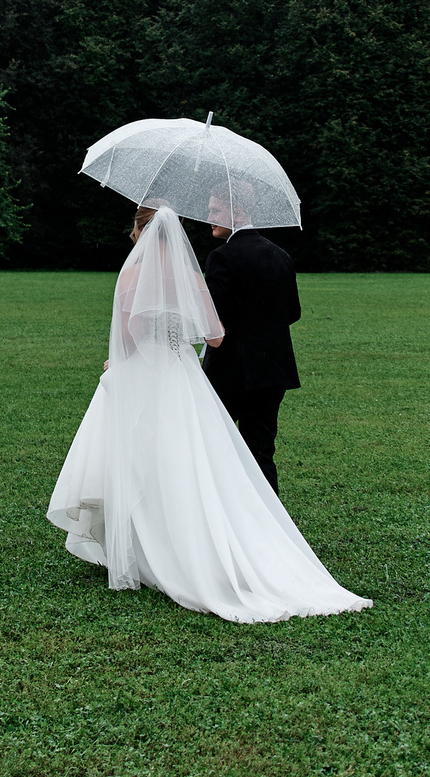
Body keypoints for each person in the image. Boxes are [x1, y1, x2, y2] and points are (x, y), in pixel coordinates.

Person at [45, 203, 370, 623]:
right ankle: (230, 538)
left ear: (141, 231)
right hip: (186, 375)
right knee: (207, 459)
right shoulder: (194, 274)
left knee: (146, 458)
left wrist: (122, 359)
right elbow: (215, 337)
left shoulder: (132, 273)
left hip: (148, 373)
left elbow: (127, 338)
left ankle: (149, 546)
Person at [198, 191, 299, 494]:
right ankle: (270, 526)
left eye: (216, 211)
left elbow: (213, 317)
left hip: (230, 371)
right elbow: (292, 312)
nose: (210, 218)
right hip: (272, 370)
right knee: (261, 451)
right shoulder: (281, 255)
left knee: (219, 449)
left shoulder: (222, 257)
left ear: (238, 212)